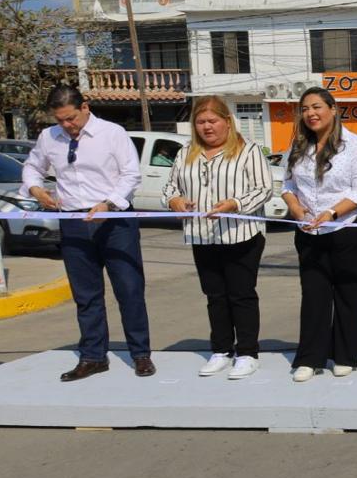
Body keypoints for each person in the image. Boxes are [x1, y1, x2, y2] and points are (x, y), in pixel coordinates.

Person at [21, 84, 154, 381]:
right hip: (74, 222)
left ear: (85, 107)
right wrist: (35, 188)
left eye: (71, 118)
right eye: (60, 121)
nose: (67, 126)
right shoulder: (48, 137)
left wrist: (109, 203)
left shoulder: (112, 133)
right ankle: (93, 356)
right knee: (86, 295)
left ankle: (141, 354)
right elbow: (32, 167)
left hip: (115, 221)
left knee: (129, 289)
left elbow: (131, 173)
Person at [162, 95, 273, 380]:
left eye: (212, 121)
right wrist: (174, 201)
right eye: (201, 122)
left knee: (241, 295)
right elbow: (170, 187)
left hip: (241, 235)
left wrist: (234, 203)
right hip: (202, 236)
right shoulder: (186, 152)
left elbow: (264, 189)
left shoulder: (247, 150)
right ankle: (221, 350)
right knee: (214, 296)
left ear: (227, 121)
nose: (207, 127)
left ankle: (248, 353)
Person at [280, 86, 357, 383]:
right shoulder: (298, 145)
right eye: (306, 108)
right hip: (309, 231)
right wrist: (295, 207)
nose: (311, 113)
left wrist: (332, 212)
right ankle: (310, 357)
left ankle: (345, 355)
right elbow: (287, 184)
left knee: (349, 295)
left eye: (317, 106)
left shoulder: (356, 145)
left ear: (333, 109)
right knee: (314, 296)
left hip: (348, 230)